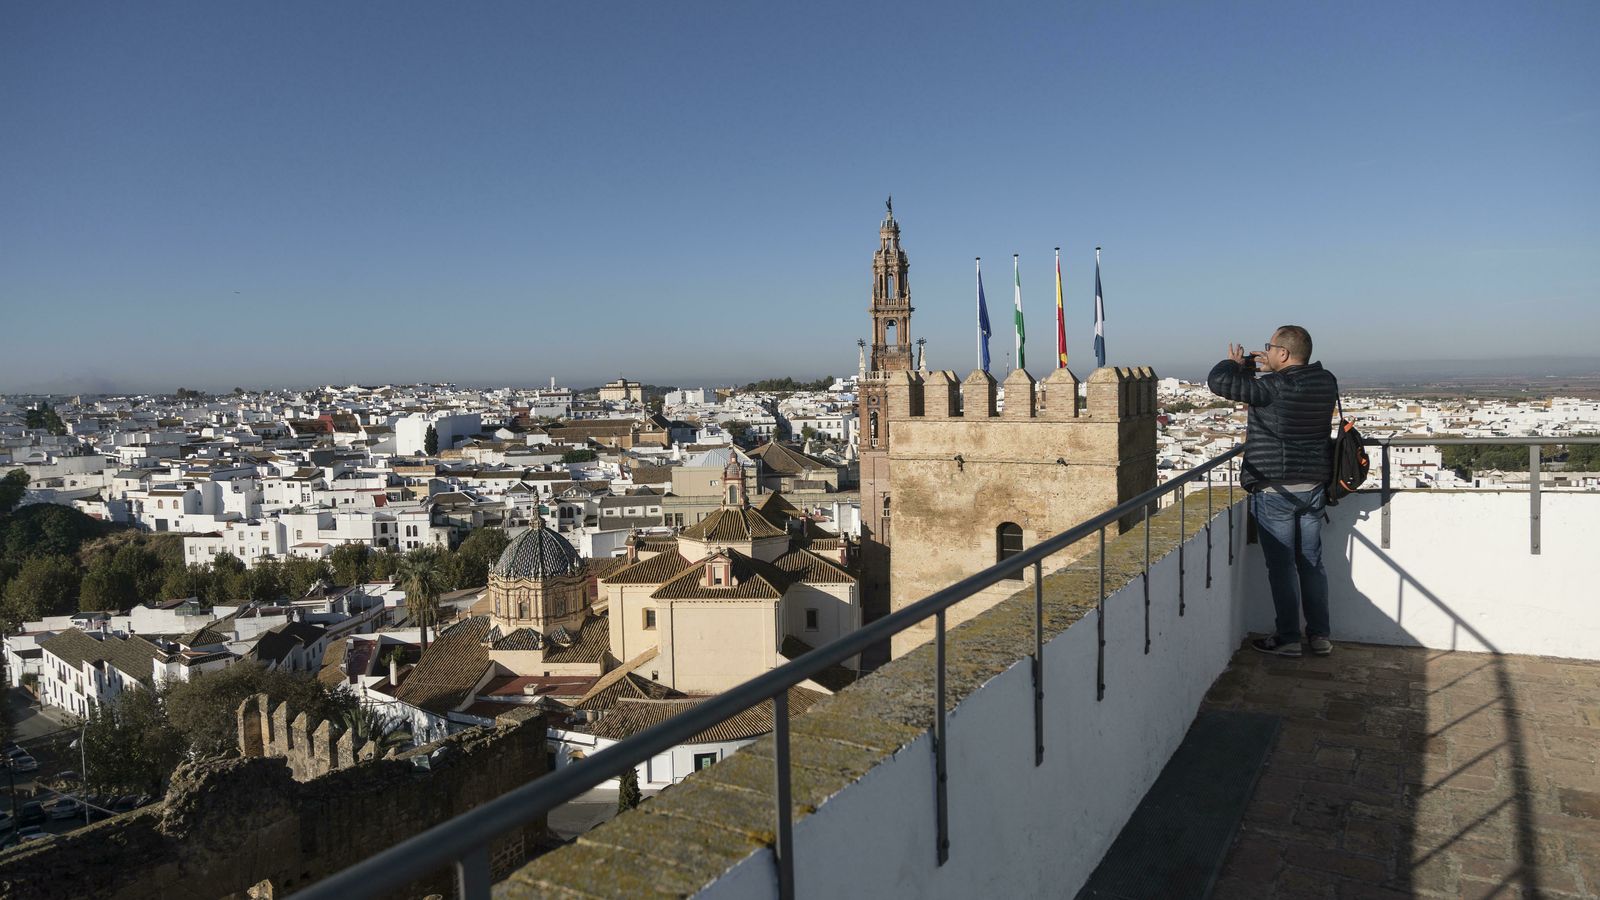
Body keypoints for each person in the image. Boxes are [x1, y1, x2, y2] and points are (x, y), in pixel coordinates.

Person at [1207, 325, 1339, 658]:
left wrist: (1236, 364)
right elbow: (1296, 380)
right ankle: (1320, 636)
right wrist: (1271, 367)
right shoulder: (1326, 381)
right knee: (1311, 564)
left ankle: (1289, 638)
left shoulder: (1273, 387)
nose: (1266, 351)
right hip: (1314, 488)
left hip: (1275, 490)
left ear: (1282, 352)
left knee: (1281, 568)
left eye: (1271, 347)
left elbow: (1218, 381)